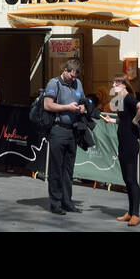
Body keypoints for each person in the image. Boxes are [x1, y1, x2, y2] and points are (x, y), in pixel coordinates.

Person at [42, 58, 88, 216]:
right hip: (58, 130)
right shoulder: (53, 84)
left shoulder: (78, 83)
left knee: (68, 170)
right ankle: (55, 203)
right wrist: (67, 107)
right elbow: (47, 104)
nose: (73, 79)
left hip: (73, 131)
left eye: (75, 77)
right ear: (65, 71)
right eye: (71, 76)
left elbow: (82, 100)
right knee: (56, 168)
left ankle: (67, 202)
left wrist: (82, 107)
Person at [101, 74, 140, 226]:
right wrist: (111, 120)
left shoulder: (128, 98)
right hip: (123, 142)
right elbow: (123, 119)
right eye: (113, 82)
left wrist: (135, 121)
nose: (113, 84)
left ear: (124, 85)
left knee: (132, 179)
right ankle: (130, 212)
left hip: (130, 143)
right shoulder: (120, 99)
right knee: (127, 179)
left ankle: (136, 214)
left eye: (117, 82)